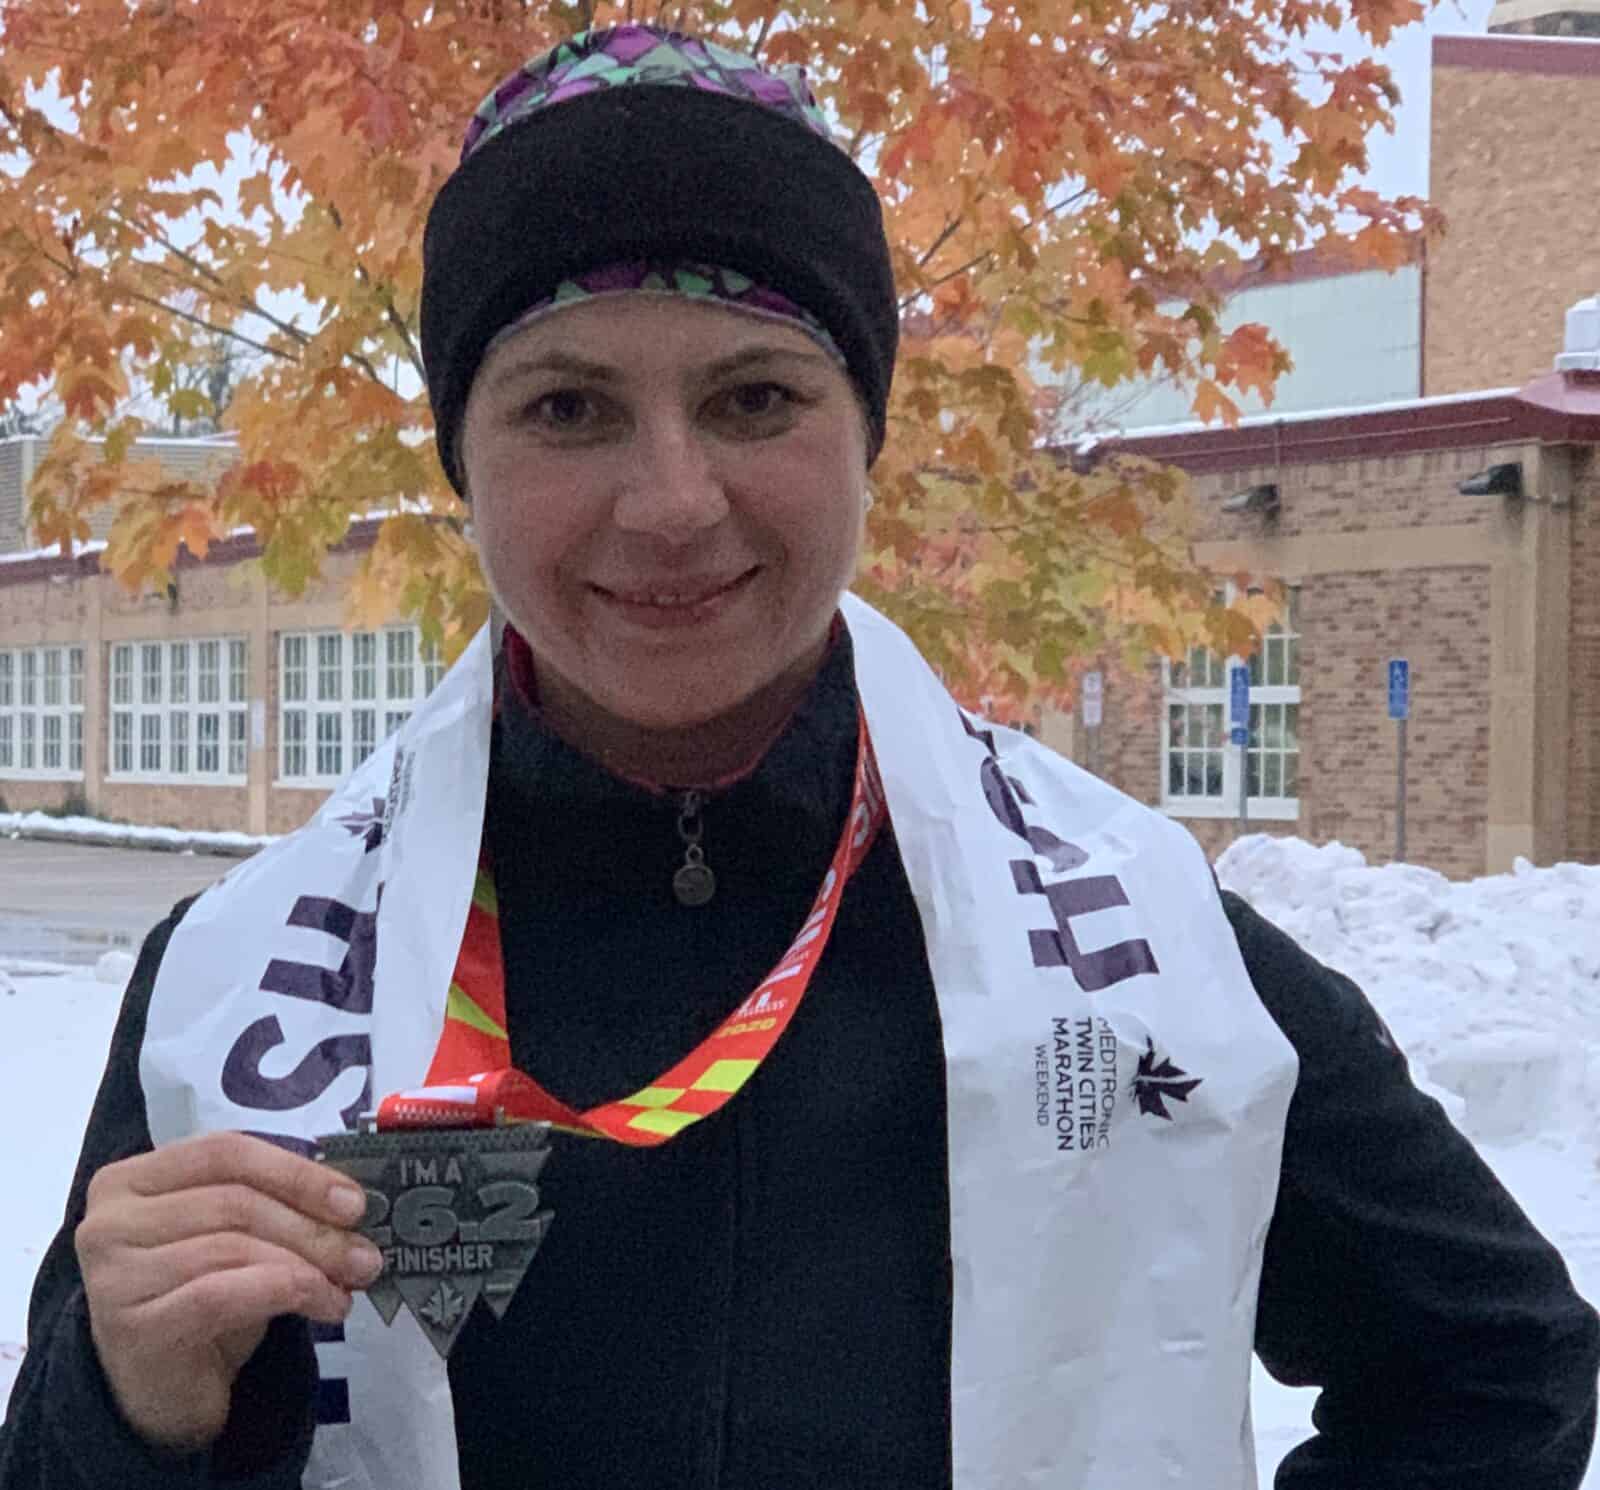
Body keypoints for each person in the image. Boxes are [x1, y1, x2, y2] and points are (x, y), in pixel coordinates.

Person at [1, 24, 1596, 1490]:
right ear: (460, 468)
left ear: (868, 431)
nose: (674, 499)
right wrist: (129, 1409)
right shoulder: (249, 984)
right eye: (568, 408)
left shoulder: (1130, 937)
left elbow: (1496, 1363)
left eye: (756, 395)